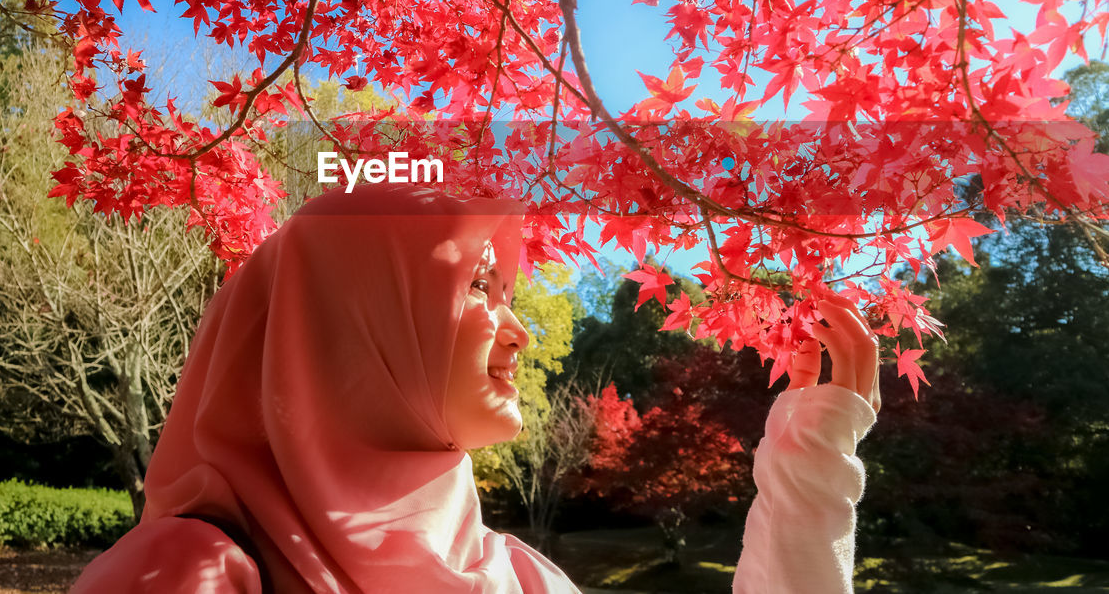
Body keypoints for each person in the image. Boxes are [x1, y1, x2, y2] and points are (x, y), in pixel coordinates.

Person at [70, 184, 879, 593]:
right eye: (479, 289)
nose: (519, 329)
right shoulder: (192, 571)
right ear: (361, 323)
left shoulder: (520, 577)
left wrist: (810, 469)